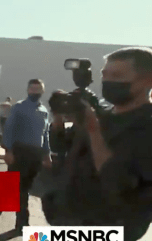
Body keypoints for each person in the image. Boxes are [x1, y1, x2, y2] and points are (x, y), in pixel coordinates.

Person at [43, 47, 152, 241]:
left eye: (117, 75)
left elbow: (121, 183)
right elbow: (61, 147)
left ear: (147, 80)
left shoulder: (146, 124)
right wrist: (58, 117)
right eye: (104, 74)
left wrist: (94, 132)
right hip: (68, 221)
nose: (107, 81)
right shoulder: (101, 114)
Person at [0, 79, 51, 237]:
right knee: (18, 190)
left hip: (35, 156)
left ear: (42, 91)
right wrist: (8, 151)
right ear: (28, 90)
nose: (35, 92)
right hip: (20, 153)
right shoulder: (19, 107)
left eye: (38, 89)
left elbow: (45, 134)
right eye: (32, 89)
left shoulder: (43, 110)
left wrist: (46, 154)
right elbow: (9, 129)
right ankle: (21, 224)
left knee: (16, 190)